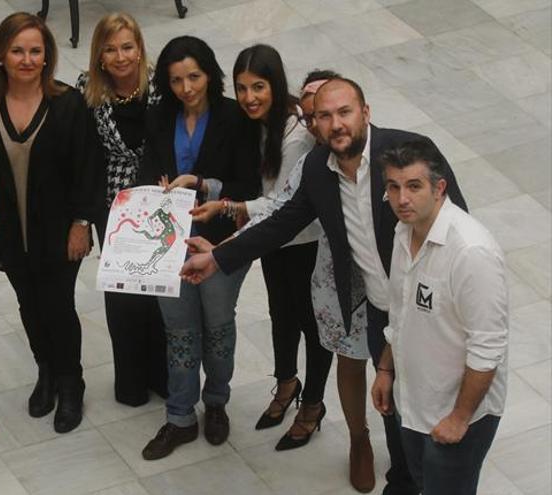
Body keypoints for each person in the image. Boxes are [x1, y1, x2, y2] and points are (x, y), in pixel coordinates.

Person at [180, 77, 467, 494]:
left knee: (429, 402)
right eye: (324, 116)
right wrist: (220, 258)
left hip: (426, 306)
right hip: (378, 308)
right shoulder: (317, 169)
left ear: (366, 113)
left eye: (344, 112)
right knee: (390, 398)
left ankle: (429, 477)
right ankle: (402, 477)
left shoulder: (409, 153)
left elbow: (457, 224)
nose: (335, 124)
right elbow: (282, 222)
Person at [190, 45, 332, 451]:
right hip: (273, 239)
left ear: (276, 84)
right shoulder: (257, 125)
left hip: (306, 241)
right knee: (280, 314)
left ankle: (312, 405)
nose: (250, 97)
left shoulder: (295, 137)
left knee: (313, 324)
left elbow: (284, 203)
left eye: (259, 87)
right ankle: (286, 382)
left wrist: (230, 207)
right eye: (242, 88)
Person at [0, 12, 101, 434]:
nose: (27, 59)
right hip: (11, 236)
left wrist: (82, 224)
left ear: (47, 55)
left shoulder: (68, 104)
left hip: (61, 233)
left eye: (35, 50)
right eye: (18, 50)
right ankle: (45, 371)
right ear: (0, 56)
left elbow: (89, 169)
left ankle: (71, 382)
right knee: (29, 305)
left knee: (59, 307)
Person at [138, 36, 259, 461]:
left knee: (219, 327)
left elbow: (250, 188)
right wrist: (156, 184)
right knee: (180, 332)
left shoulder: (234, 117)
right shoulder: (157, 116)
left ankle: (217, 402)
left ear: (210, 74)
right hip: (169, 242)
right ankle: (179, 417)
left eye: (194, 76)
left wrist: (202, 184)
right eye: (176, 80)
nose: (186, 88)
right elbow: (148, 165)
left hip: (222, 241)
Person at [372, 139, 508, 495]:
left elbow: (488, 346)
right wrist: (386, 369)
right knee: (422, 484)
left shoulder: (471, 251)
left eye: (414, 186)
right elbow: (401, 313)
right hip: (413, 403)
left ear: (439, 188)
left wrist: (459, 418)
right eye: (393, 187)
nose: (402, 199)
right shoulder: (404, 231)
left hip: (458, 416)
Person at [75, 12, 167, 407]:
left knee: (161, 291)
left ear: (140, 48)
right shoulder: (87, 90)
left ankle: (161, 375)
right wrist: (83, 215)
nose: (120, 56)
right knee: (124, 294)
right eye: (110, 49)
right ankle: (130, 381)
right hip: (113, 203)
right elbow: (84, 155)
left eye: (127, 47)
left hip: (160, 197)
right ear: (99, 56)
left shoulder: (162, 85)